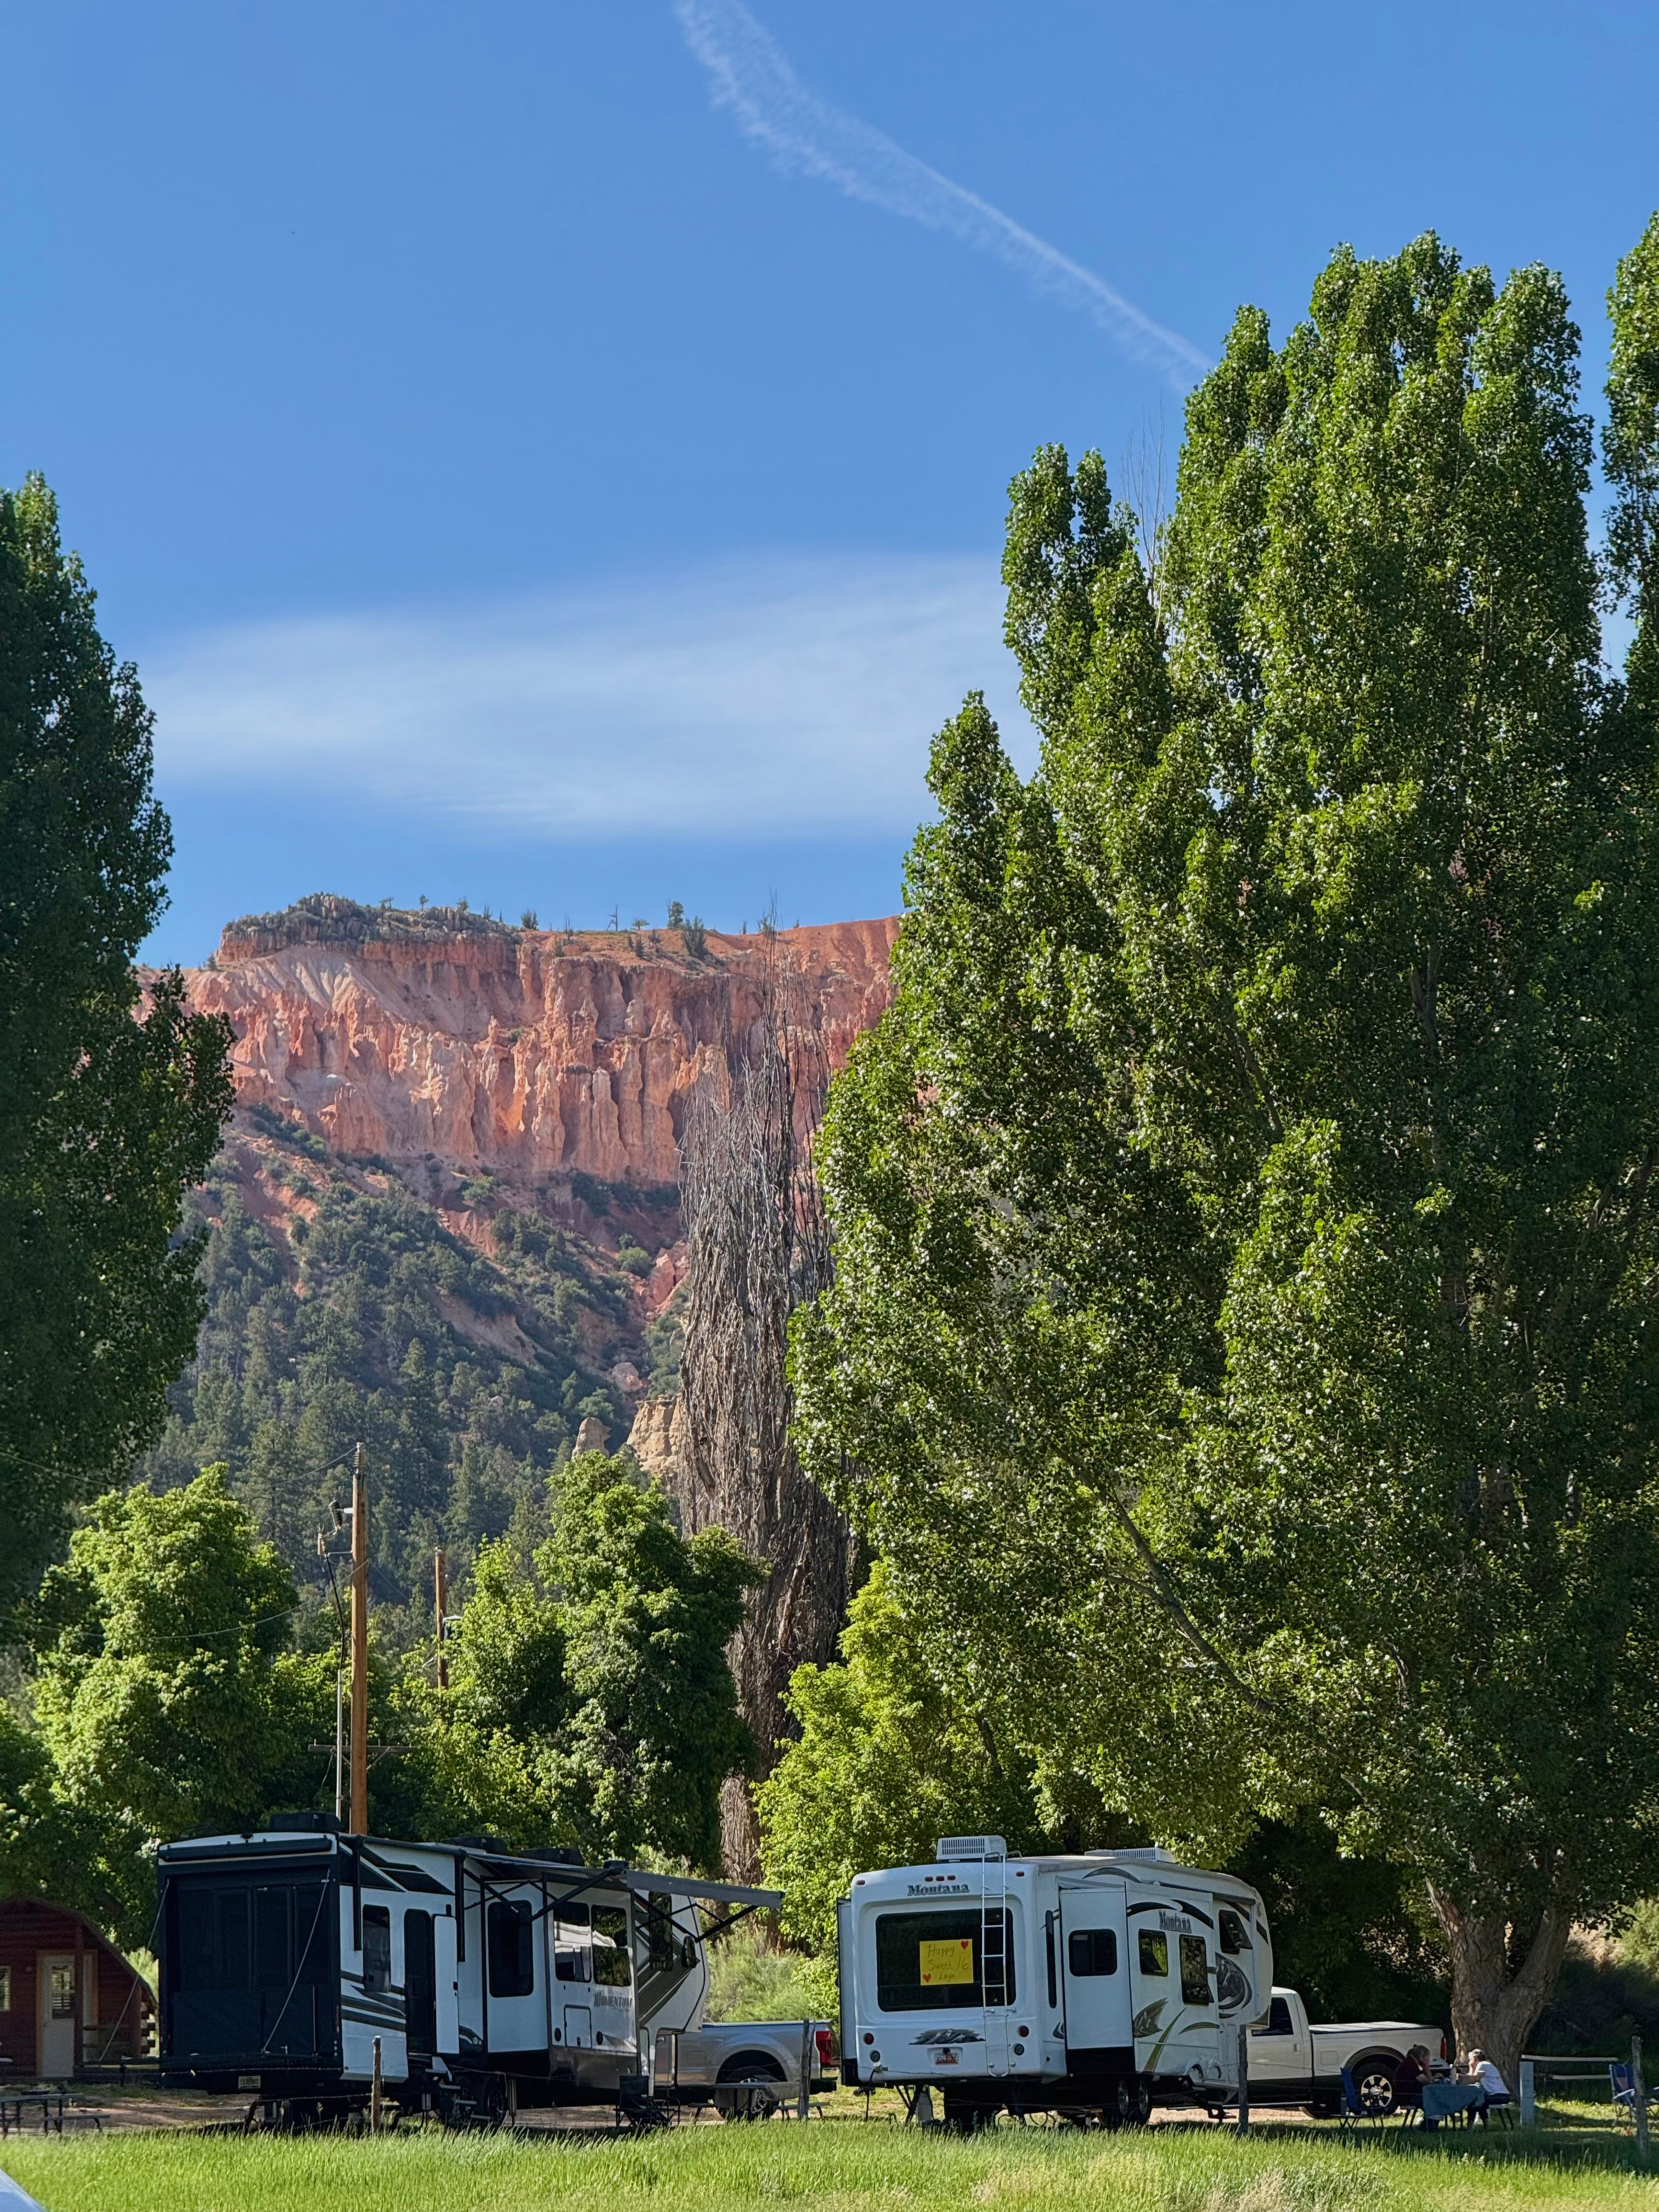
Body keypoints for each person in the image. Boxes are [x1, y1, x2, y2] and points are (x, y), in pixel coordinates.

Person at [1466, 2050, 1511, 2121]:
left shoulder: (1482, 2065)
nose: (1469, 2062)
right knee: (1480, 2101)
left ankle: (1472, 2124)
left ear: (1475, 2059)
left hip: (1498, 2096)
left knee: (1475, 2101)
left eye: (1470, 2059)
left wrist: (1471, 2068)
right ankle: (1484, 2124)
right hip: (1504, 2095)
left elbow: (1473, 2079)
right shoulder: (1488, 2064)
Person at [1392, 2045, 1430, 2120]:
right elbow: (1428, 2082)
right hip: (1408, 2098)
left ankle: (1428, 2122)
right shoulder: (1411, 2065)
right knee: (1433, 2100)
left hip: (1404, 2096)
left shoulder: (1408, 2062)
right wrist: (1426, 2066)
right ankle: (1430, 2123)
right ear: (1422, 2057)